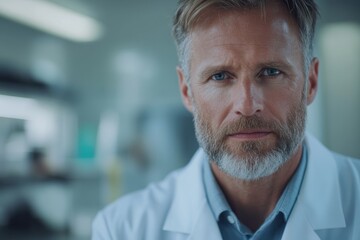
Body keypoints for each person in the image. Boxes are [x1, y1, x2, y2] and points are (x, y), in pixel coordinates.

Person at [92, 0, 360, 239]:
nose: (246, 105)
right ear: (187, 91)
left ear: (311, 82)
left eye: (270, 71)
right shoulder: (122, 229)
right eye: (220, 76)